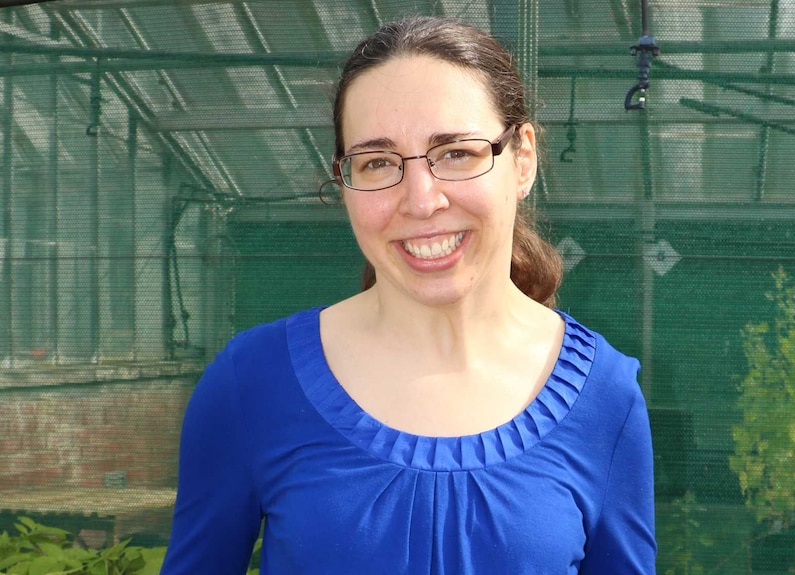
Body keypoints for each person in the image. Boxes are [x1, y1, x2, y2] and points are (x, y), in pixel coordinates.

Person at [160, 15, 656, 575]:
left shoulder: (605, 398)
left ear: (523, 159)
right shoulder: (250, 384)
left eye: (456, 153)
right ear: (343, 181)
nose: (421, 201)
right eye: (377, 163)